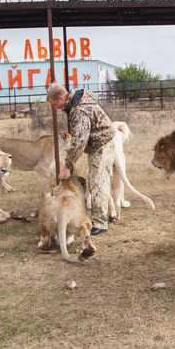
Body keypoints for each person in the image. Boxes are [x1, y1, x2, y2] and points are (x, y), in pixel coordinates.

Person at [46, 83, 115, 236]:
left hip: (101, 144)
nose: (55, 107)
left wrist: (67, 165)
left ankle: (100, 223)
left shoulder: (79, 111)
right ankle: (103, 216)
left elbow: (79, 141)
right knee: (96, 179)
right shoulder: (78, 104)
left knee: (98, 182)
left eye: (55, 103)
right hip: (102, 142)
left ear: (62, 98)